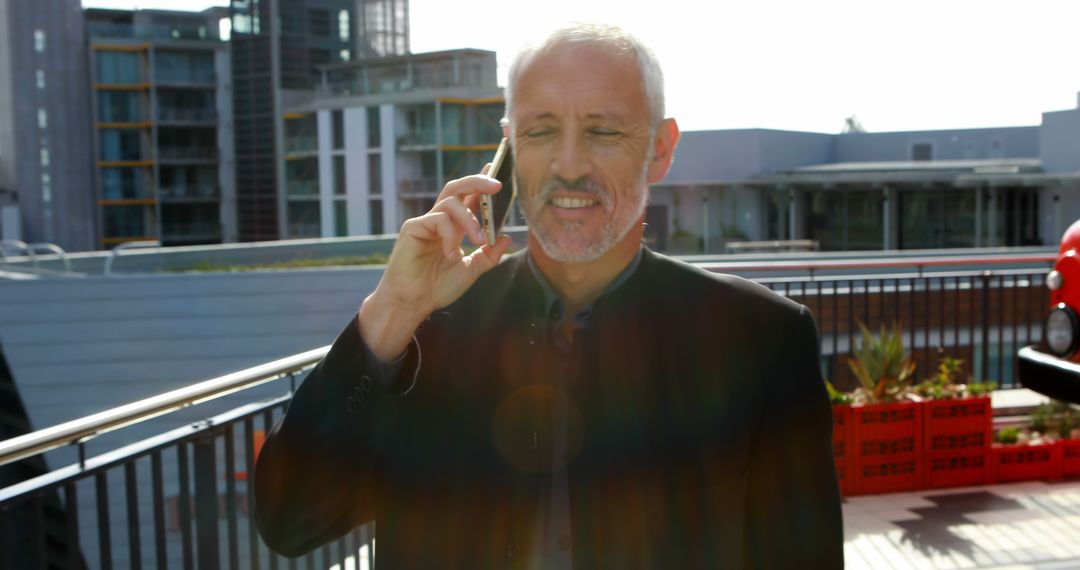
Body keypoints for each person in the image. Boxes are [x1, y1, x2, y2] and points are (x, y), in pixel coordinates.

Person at [254, 22, 843, 569]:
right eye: (540, 132)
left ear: (660, 149)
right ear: (510, 151)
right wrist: (391, 314)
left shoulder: (761, 338)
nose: (567, 164)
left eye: (602, 130)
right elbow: (290, 522)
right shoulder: (424, 329)